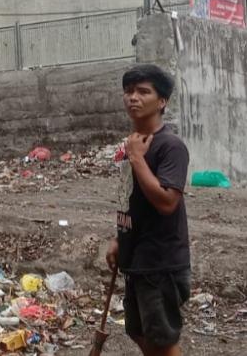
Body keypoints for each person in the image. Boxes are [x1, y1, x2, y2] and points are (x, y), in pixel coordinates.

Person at [106, 65, 190, 356]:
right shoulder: (132, 145)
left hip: (161, 261)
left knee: (162, 341)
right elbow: (129, 198)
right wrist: (120, 237)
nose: (133, 98)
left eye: (144, 92)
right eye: (129, 91)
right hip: (136, 257)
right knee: (138, 331)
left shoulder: (170, 146)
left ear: (162, 101)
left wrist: (138, 160)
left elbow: (168, 202)